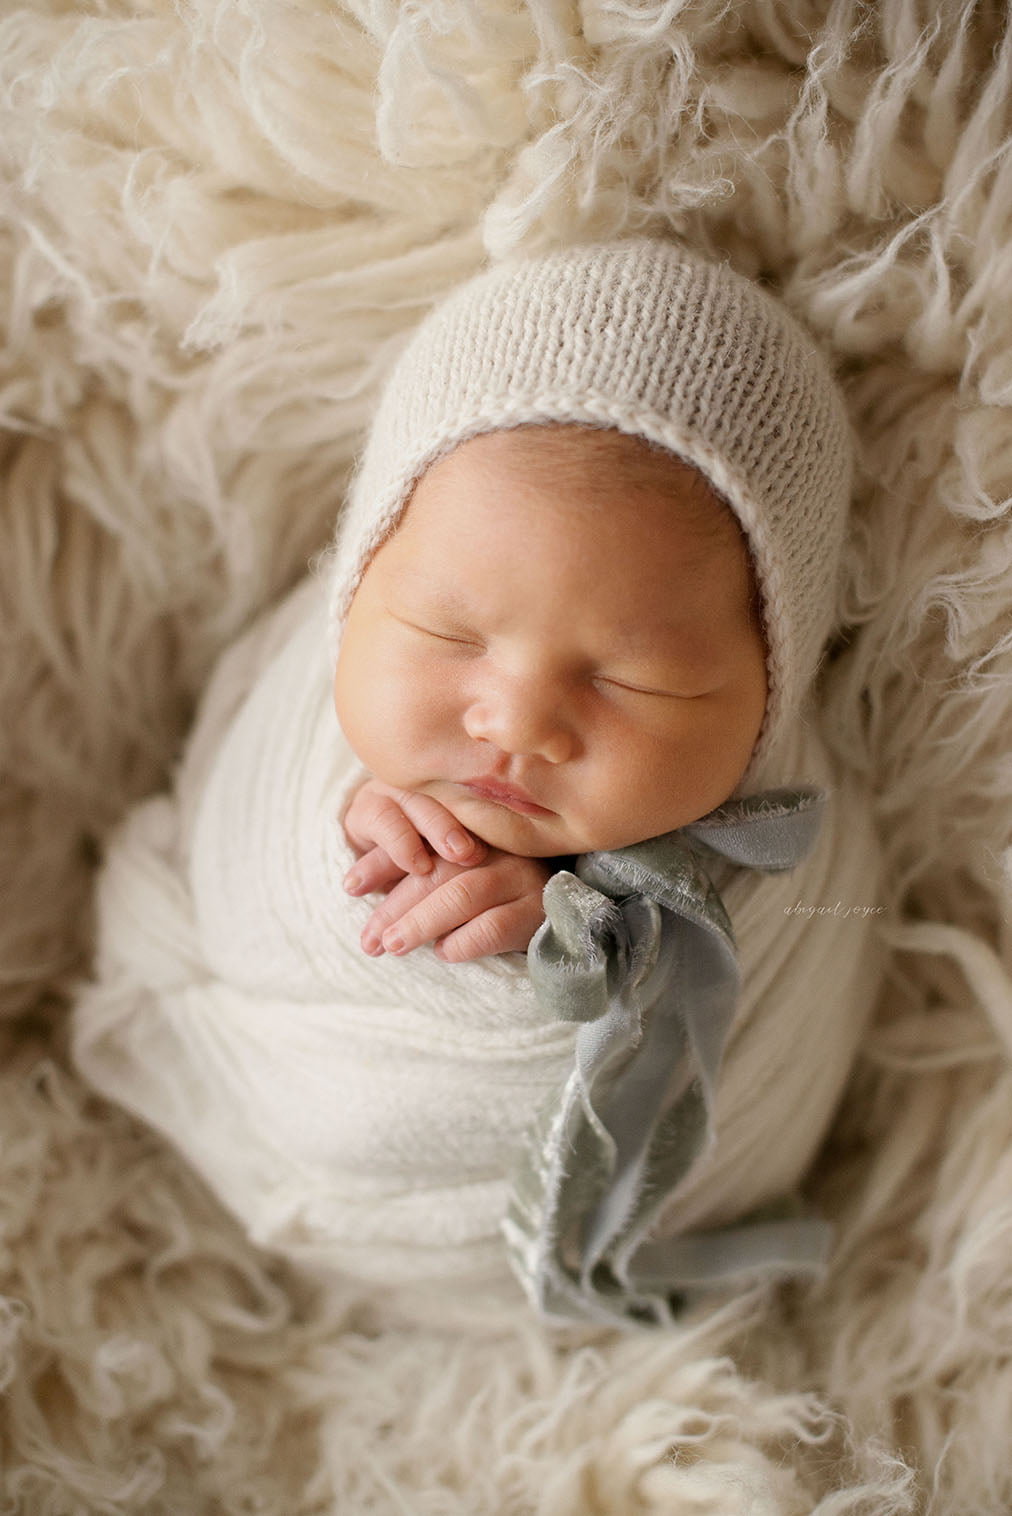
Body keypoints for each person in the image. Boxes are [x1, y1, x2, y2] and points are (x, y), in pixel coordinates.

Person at [73, 239, 885, 1323]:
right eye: (449, 632)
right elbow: (242, 859)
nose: (517, 722)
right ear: (360, 575)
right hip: (263, 1118)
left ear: (772, 689)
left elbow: (776, 1046)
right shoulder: (305, 705)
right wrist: (353, 861)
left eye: (631, 679)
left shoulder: (800, 857)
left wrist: (578, 945)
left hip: (566, 1268)